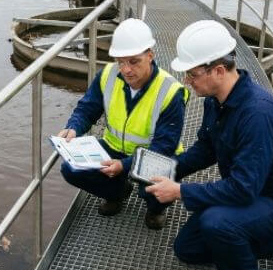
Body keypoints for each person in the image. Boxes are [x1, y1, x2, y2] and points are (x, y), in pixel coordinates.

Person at [147, 20, 273, 270]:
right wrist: (170, 169)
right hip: (250, 191)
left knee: (217, 223)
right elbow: (206, 149)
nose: (187, 81)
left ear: (219, 71)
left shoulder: (257, 114)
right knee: (187, 249)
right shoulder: (215, 101)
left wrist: (179, 191)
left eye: (192, 74)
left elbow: (242, 189)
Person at [57, 18, 187, 230]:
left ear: (150, 55)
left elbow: (164, 146)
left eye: (134, 62)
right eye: (121, 62)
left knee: (154, 187)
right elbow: (87, 108)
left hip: (154, 155)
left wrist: (124, 166)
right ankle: (117, 192)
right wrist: (74, 127)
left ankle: (156, 209)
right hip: (115, 148)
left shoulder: (171, 91)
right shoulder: (107, 75)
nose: (126, 70)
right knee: (71, 169)